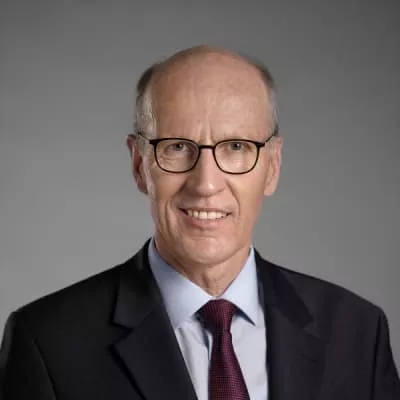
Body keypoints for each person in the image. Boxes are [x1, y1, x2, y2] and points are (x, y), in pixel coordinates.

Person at [0, 46, 399, 400]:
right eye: (176, 147)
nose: (206, 184)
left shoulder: (357, 333)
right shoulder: (48, 343)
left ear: (273, 166)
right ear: (139, 165)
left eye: (237, 146)